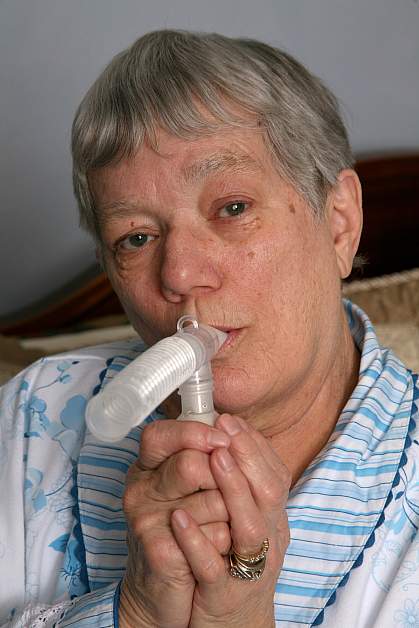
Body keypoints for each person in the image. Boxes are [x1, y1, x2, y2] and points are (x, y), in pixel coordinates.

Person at [0, 29, 418, 628]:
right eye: (137, 238)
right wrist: (136, 612)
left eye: (232, 208)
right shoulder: (29, 422)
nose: (180, 274)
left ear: (339, 223)